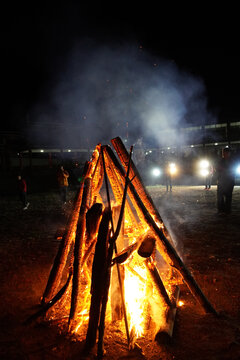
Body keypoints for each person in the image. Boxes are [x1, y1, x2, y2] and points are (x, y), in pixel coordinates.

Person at [216, 147, 235, 214]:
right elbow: (217, 169)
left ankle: (227, 210)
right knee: (220, 196)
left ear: (229, 153)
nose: (224, 154)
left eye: (225, 152)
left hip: (229, 181)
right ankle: (221, 210)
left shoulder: (232, 161)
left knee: (228, 196)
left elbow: (233, 171)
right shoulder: (221, 161)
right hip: (221, 181)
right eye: (223, 152)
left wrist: (224, 170)